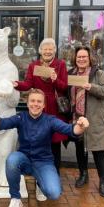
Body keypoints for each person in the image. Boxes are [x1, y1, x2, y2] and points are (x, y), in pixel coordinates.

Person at [0, 88, 89, 207]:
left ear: (43, 105)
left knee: (54, 193)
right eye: (32, 101)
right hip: (24, 159)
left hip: (43, 162)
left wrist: (81, 126)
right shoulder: (21, 117)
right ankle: (15, 198)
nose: (35, 104)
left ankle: (40, 184)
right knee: (12, 160)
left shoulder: (50, 120)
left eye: (39, 102)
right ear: (27, 103)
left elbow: (69, 129)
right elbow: (1, 124)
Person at [13, 38, 68, 175]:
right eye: (45, 49)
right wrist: (16, 84)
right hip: (37, 106)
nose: (48, 51)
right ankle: (37, 172)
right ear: (40, 51)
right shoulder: (34, 65)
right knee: (38, 139)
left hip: (54, 107)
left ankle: (55, 173)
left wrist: (55, 79)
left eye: (50, 49)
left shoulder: (60, 65)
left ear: (54, 51)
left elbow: (65, 87)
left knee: (54, 142)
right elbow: (28, 84)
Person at [68, 45, 104, 198]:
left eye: (84, 57)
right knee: (80, 148)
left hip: (95, 120)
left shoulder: (98, 73)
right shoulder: (71, 74)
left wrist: (90, 86)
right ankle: (83, 174)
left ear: (89, 59)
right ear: (75, 59)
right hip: (78, 119)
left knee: (99, 150)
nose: (81, 59)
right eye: (79, 57)